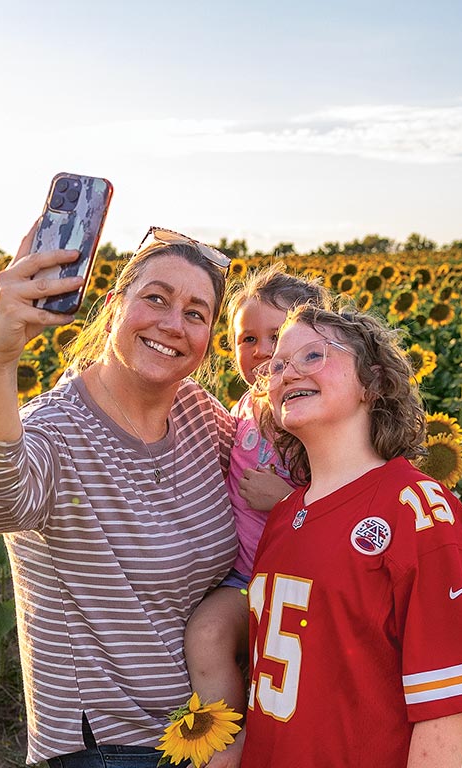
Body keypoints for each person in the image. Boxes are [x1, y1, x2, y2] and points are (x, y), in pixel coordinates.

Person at [0, 223, 238, 767]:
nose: (173, 323)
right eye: (156, 299)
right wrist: (0, 351)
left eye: (196, 313)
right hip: (106, 744)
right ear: (112, 308)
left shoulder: (200, 416)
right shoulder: (56, 431)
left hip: (204, 733)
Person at [241, 304, 462, 768]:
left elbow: (446, 706)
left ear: (373, 382)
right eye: (277, 366)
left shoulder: (417, 509)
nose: (285, 373)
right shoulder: (283, 515)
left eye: (313, 355)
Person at [183, 264, 328, 765]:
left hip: (307, 579)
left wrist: (284, 500)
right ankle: (225, 747)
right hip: (245, 574)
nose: (263, 350)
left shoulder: (318, 410)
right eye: (248, 338)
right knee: (206, 635)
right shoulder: (243, 406)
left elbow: (348, 498)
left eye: (277, 335)